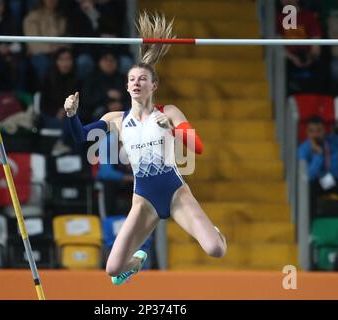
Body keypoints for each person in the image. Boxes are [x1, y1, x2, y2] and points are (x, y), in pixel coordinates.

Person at [63, 12, 227, 285]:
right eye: (132, 80)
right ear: (127, 87)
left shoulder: (170, 112)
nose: (137, 83)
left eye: (142, 79)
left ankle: (215, 232)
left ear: (154, 86)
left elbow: (197, 148)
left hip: (176, 193)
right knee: (113, 269)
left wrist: (174, 129)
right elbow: (80, 137)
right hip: (144, 201)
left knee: (216, 249)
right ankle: (136, 262)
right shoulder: (115, 119)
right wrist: (71, 115)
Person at [298, 116, 338, 214]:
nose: (316, 134)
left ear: (324, 131)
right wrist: (319, 155)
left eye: (319, 131)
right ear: (307, 133)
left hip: (334, 179)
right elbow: (308, 176)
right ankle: (310, 224)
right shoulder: (303, 149)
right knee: (307, 191)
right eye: (312, 131)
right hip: (315, 182)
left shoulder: (333, 141)